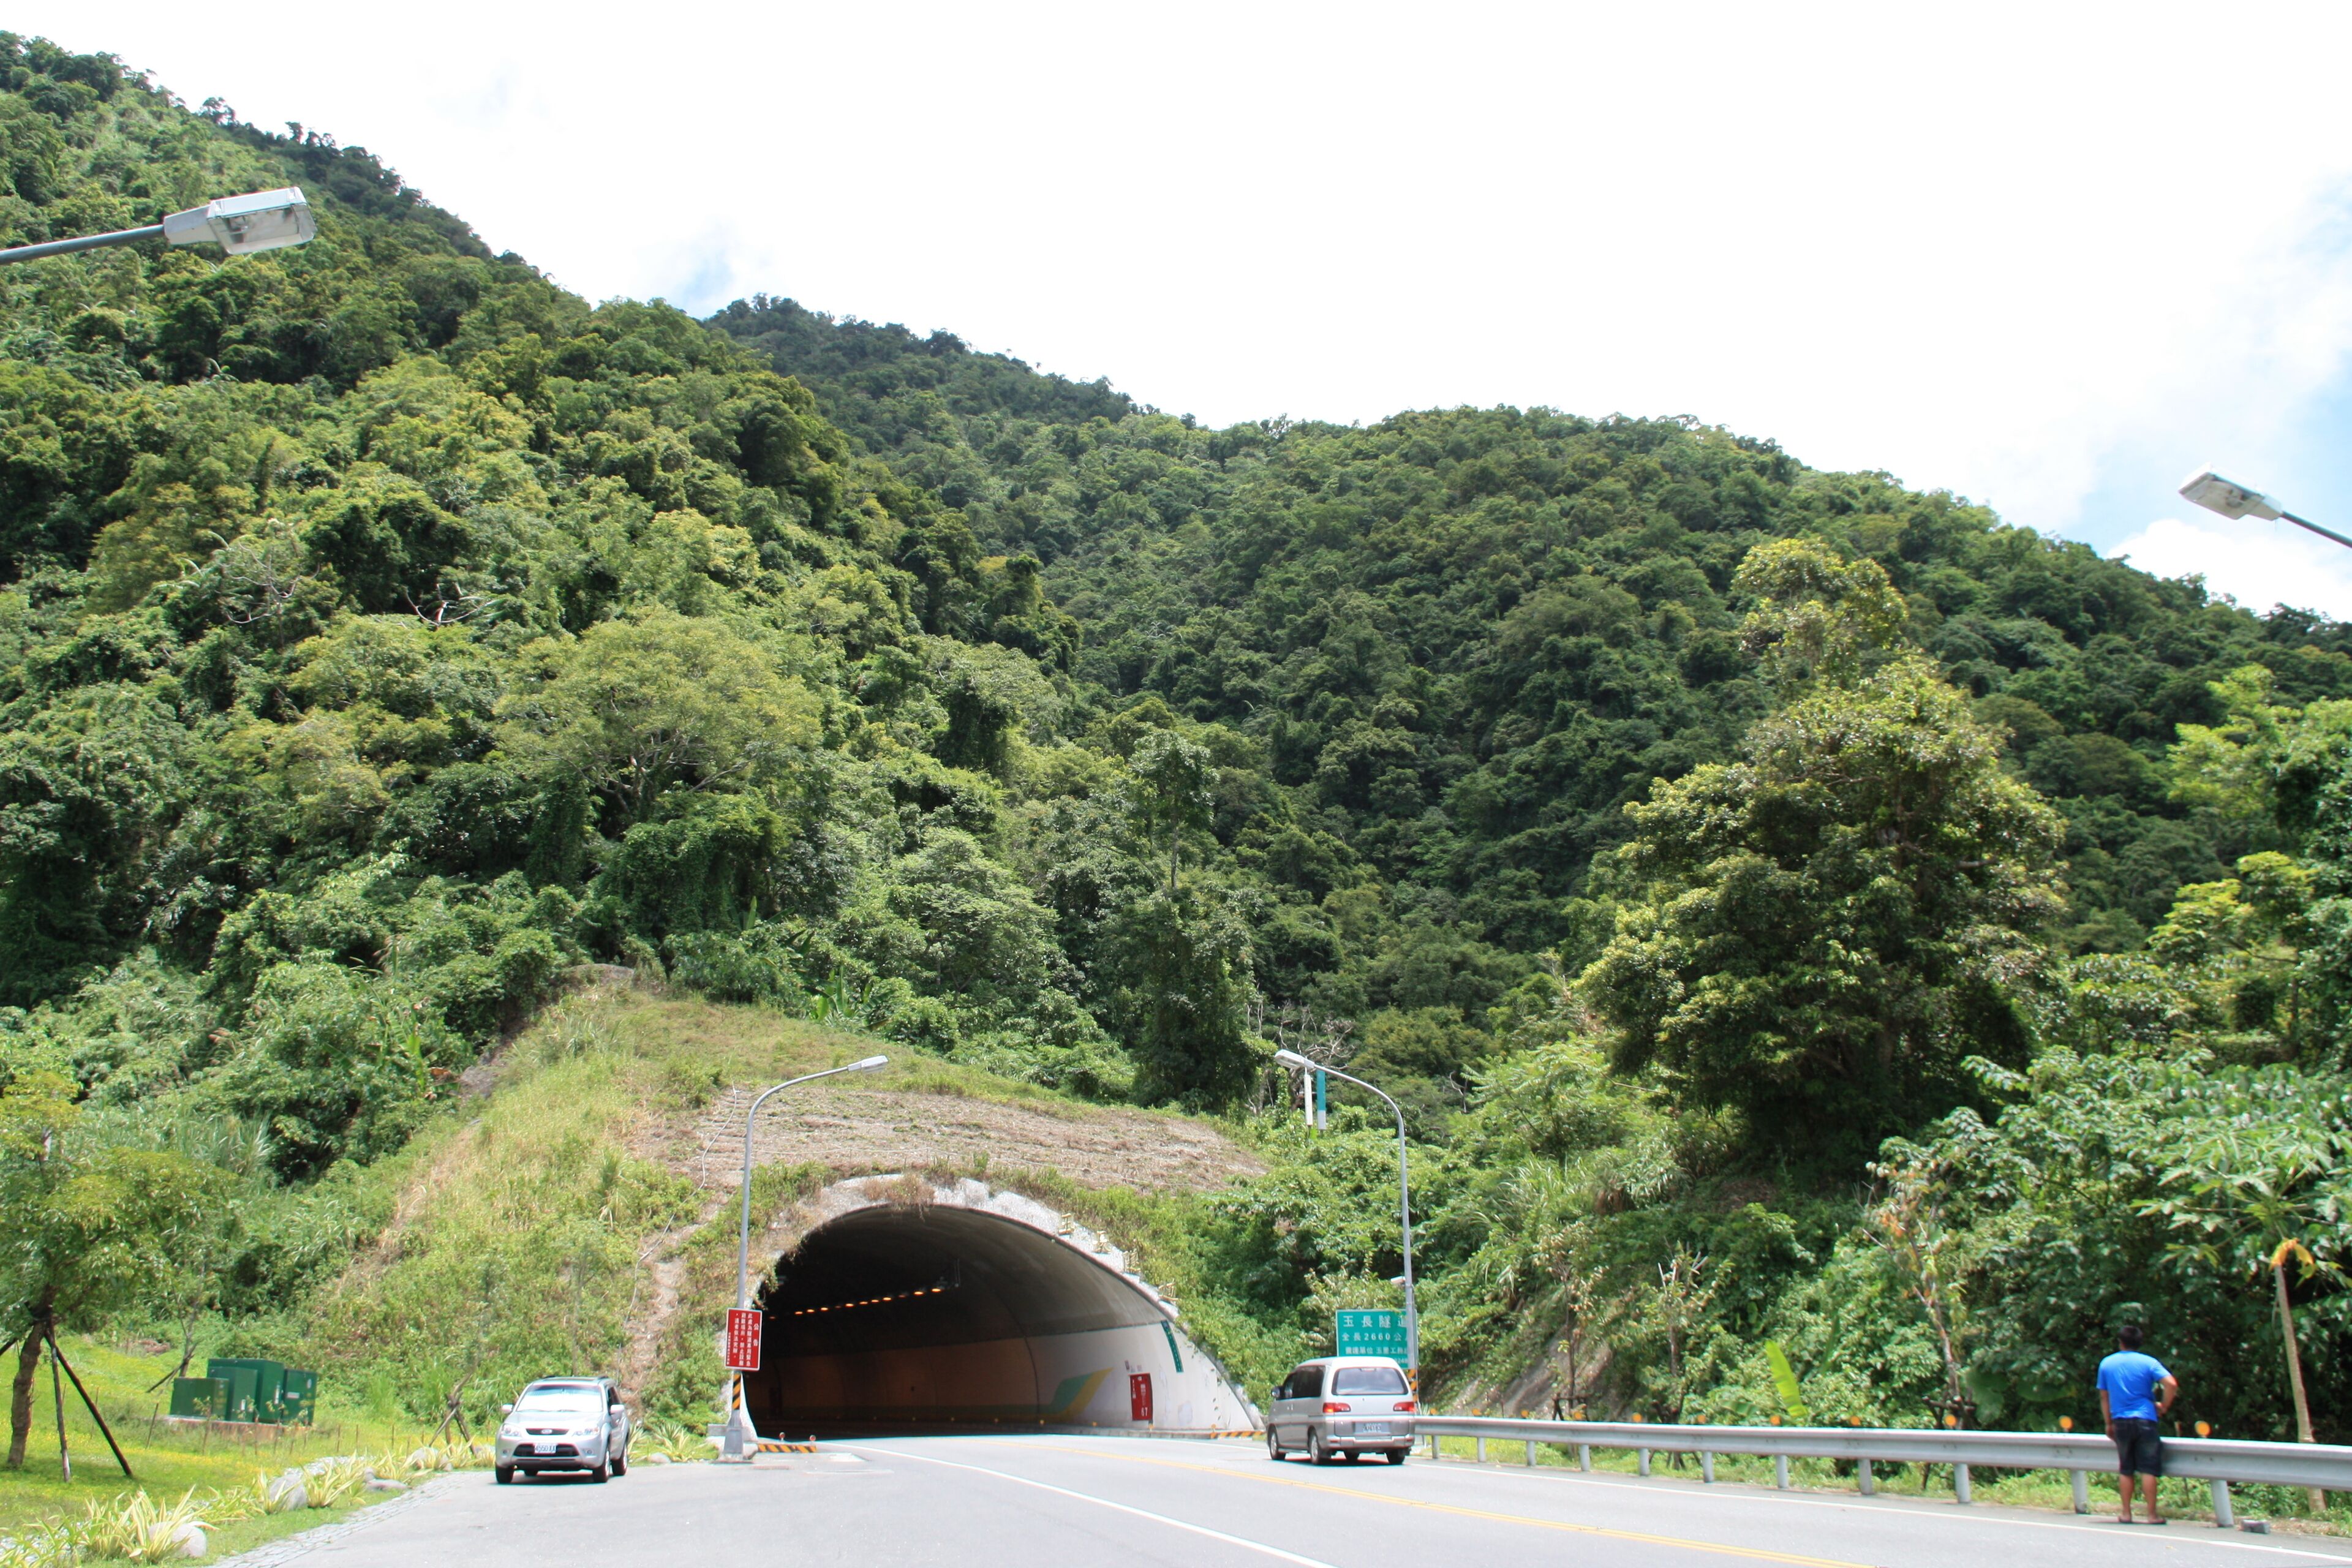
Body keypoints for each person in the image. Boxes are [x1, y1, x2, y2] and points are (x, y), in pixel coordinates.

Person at [2095, 1323, 2179, 1525]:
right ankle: (2151, 1515)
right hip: (2145, 1419)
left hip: (2120, 1421)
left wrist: (2108, 1423)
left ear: (2120, 1342)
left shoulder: (2107, 1364)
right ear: (2139, 1342)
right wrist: (2164, 1406)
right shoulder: (2148, 1362)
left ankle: (2126, 1513)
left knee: (2126, 1468)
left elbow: (2104, 1397)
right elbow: (2171, 1384)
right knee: (2148, 1468)